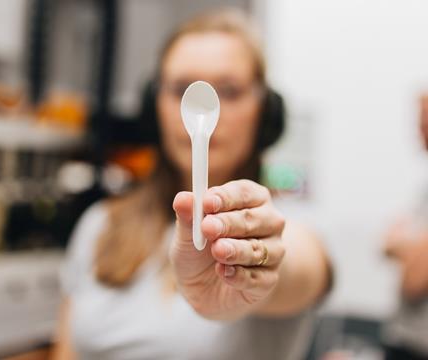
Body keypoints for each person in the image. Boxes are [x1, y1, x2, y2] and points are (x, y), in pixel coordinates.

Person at [52, 9, 332, 360]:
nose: (211, 111)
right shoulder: (99, 225)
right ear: (154, 107)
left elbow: (291, 266)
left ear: (266, 113)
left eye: (230, 90)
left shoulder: (286, 227)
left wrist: (254, 266)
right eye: (181, 89)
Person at [383, 94, 428, 360]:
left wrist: (402, 246)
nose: (418, 127)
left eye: (424, 118)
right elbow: (387, 241)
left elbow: (414, 280)